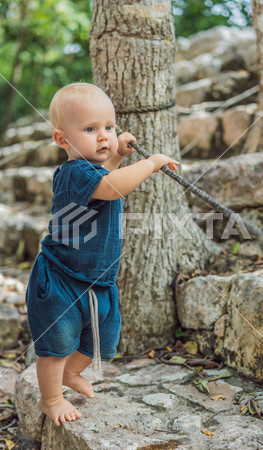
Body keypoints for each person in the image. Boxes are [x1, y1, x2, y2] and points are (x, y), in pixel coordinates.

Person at [25, 82, 180, 427]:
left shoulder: (92, 170)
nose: (104, 136)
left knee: (101, 340)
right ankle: (50, 398)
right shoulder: (73, 173)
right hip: (62, 277)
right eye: (90, 129)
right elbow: (112, 187)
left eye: (108, 127)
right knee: (56, 342)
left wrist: (119, 154)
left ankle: (70, 374)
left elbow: (107, 175)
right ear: (62, 139)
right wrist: (151, 163)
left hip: (97, 279)